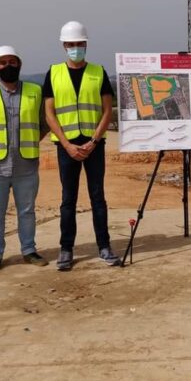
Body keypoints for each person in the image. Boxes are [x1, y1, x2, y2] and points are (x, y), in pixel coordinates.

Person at [44, 21, 119, 271]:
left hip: (93, 145)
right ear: (64, 46)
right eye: (71, 44)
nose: (76, 48)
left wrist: (94, 141)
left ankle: (104, 246)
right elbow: (49, 114)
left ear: (85, 45)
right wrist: (66, 144)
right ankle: (66, 249)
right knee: (68, 199)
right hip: (67, 148)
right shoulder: (53, 73)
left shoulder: (98, 72)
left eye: (80, 44)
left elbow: (107, 110)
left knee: (98, 197)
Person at [0, 46, 49, 275]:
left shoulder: (34, 91)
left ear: (19, 64)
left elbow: (43, 123)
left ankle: (29, 250)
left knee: (27, 211)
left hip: (26, 164)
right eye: (2, 63)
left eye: (12, 62)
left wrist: (31, 139)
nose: (8, 66)